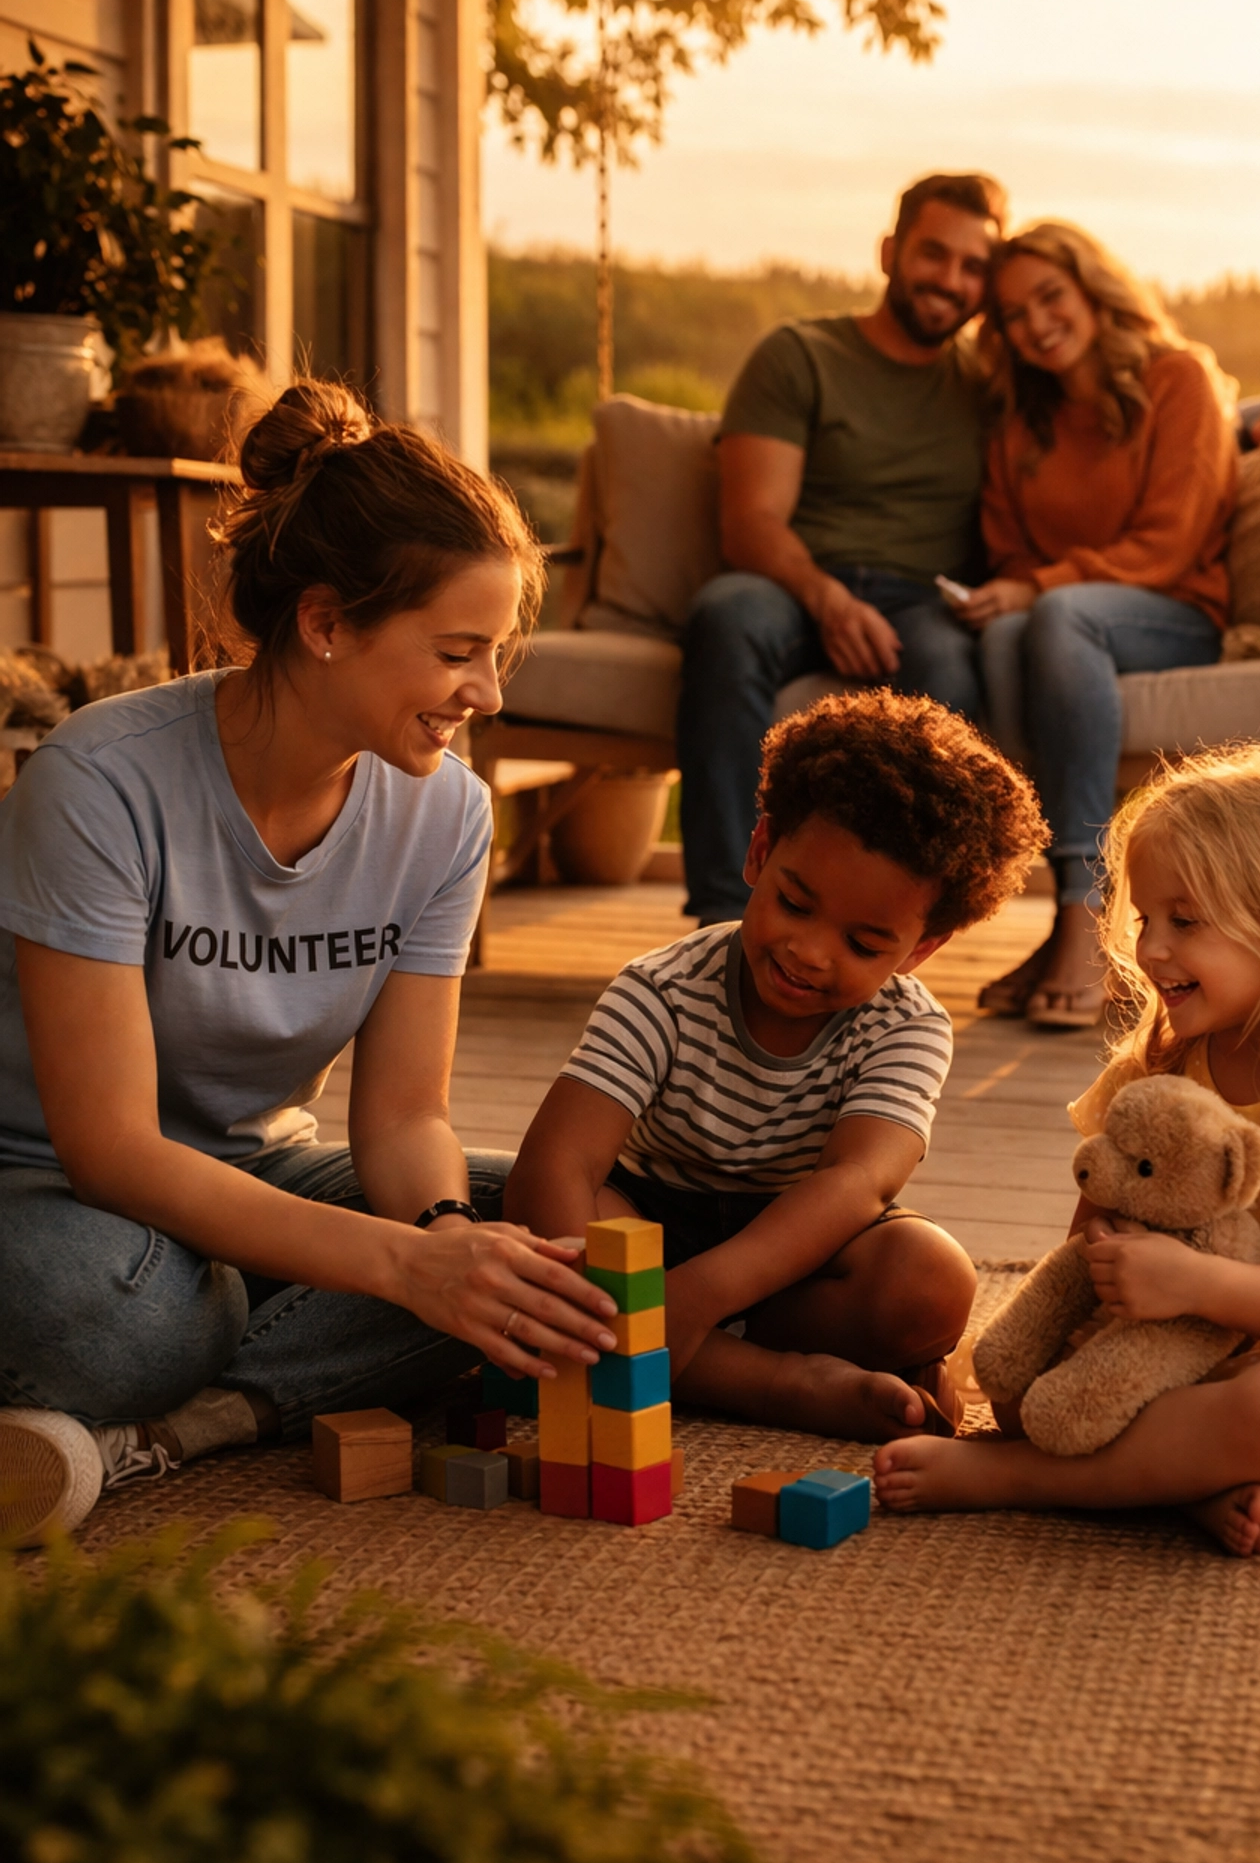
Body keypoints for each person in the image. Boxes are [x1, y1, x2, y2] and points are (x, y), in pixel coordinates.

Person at [0, 382, 619, 1545]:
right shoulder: (98, 784)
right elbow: (113, 1152)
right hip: (49, 1196)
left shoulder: (446, 819)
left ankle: (174, 1428)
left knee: (550, 1231)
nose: (487, 694)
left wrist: (439, 1237)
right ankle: (232, 1358)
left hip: (258, 1182)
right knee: (127, 1317)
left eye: (496, 655)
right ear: (327, 622)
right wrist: (399, 1273)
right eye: (457, 653)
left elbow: (402, 1119)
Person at [874, 745, 1260, 1554]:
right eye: (1144, 921)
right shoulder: (1159, 1067)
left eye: (1185, 921)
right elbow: (1083, 1242)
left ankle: (1021, 1478)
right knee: (1029, 1384)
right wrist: (1096, 1290)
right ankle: (1182, 1480)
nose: (1150, 949)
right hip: (1158, 1363)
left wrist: (1196, 1284)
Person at [506, 690, 1045, 1442]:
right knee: (551, 1218)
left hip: (796, 1256)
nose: (810, 952)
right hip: (650, 1225)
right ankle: (775, 1382)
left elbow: (858, 1182)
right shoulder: (662, 990)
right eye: (795, 904)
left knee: (931, 1281)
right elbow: (558, 1161)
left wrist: (698, 1296)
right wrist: (615, 1300)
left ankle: (667, 1350)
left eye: (863, 946)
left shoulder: (907, 1025)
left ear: (920, 950)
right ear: (761, 851)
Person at [677, 171, 1007, 925]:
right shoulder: (800, 355)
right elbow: (750, 522)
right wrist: (828, 599)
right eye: (934, 254)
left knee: (949, 665)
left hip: (923, 598)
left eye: (972, 267)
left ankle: (893, 920)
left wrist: (1247, 422)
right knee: (725, 616)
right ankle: (726, 915)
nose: (950, 280)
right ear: (890, 252)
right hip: (795, 583)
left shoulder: (990, 388)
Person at [953, 221, 1239, 1028]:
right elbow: (1009, 551)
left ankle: (1088, 916)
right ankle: (1065, 924)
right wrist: (1013, 592)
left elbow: (1172, 540)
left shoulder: (1176, 378)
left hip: (1177, 606)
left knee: (1052, 614)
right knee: (1008, 632)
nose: (1038, 322)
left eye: (1052, 296)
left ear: (1091, 291)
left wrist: (1044, 584)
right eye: (1014, 313)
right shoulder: (1023, 422)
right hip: (1063, 616)